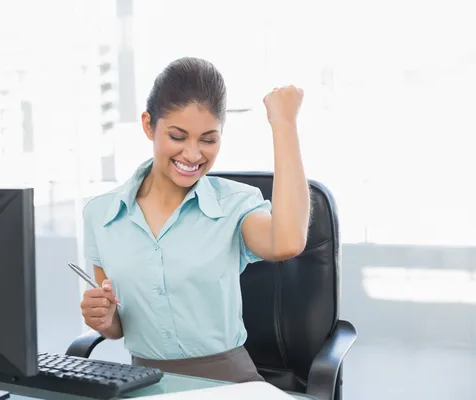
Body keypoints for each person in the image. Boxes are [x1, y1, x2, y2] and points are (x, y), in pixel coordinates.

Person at [80, 57, 310, 383]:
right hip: (144, 383)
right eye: (177, 136)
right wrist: (103, 319)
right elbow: (118, 327)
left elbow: (287, 241)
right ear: (149, 125)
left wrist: (283, 122)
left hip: (227, 380)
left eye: (208, 139)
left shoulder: (234, 205)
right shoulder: (100, 214)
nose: (192, 154)